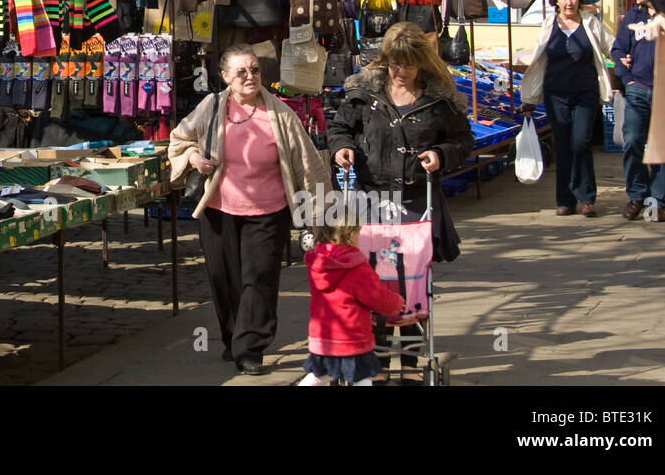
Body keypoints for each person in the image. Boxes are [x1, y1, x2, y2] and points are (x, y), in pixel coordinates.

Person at [168, 44, 330, 376]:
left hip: (269, 211)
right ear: (225, 76)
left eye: (254, 70)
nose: (249, 77)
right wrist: (195, 159)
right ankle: (233, 338)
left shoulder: (280, 113)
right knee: (226, 279)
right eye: (241, 72)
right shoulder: (212, 106)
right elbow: (179, 140)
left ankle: (250, 348)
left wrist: (318, 212)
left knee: (259, 279)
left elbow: (307, 163)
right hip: (219, 208)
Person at [327, 21, 474, 383]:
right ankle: (373, 361)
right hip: (372, 200)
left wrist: (440, 154)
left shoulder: (440, 101)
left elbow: (463, 142)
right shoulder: (365, 94)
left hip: (415, 203)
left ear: (420, 62)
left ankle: (409, 364)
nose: (400, 71)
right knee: (371, 282)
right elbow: (339, 129)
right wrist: (342, 148)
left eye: (407, 64)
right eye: (395, 63)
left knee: (411, 285)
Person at [519, 0, 617, 218]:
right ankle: (565, 200)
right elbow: (539, 60)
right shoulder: (548, 24)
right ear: (557, 1)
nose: (570, 2)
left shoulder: (590, 22)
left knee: (581, 143)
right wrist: (530, 97)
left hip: (585, 93)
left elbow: (612, 47)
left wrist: (629, 59)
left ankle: (587, 198)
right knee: (563, 146)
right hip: (555, 94)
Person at [298, 210, 405, 386]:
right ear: (350, 234)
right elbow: (376, 296)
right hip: (351, 336)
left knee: (319, 375)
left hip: (323, 335)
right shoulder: (356, 266)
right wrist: (397, 303)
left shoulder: (317, 263)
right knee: (361, 378)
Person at [610, 0, 665, 220]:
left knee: (663, 149)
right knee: (632, 142)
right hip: (638, 89)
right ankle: (637, 195)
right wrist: (627, 79)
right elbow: (618, 50)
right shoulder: (632, 16)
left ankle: (656, 202)